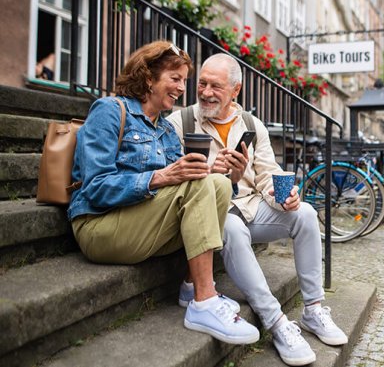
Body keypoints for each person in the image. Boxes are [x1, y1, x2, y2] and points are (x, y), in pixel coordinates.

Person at [68, 41, 259, 345]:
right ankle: (204, 302)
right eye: (175, 78)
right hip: (99, 225)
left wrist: (222, 171)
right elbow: (95, 188)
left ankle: (190, 285)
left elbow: (184, 189)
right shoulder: (109, 111)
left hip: (141, 222)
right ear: (148, 78)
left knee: (219, 183)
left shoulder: (167, 129)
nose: (183, 88)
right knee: (199, 183)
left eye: (184, 80)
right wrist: (160, 177)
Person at [168, 53, 347, 366]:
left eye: (216, 86)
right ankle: (276, 322)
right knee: (232, 228)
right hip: (212, 214)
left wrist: (286, 196)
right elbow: (172, 175)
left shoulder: (251, 124)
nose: (206, 91)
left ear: (235, 90)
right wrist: (214, 170)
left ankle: (314, 309)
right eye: (203, 83)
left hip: (250, 207)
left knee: (304, 213)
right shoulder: (179, 122)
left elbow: (268, 174)